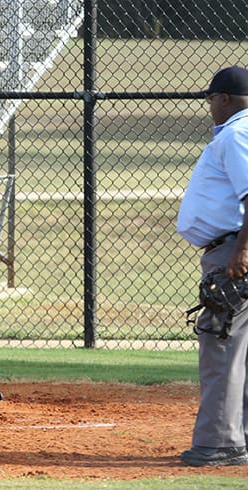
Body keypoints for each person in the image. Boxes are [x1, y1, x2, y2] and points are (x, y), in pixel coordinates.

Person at [177, 65, 248, 467]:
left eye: (210, 100)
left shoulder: (238, 133)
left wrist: (240, 252)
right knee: (241, 350)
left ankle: (220, 443)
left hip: (234, 252)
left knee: (221, 345)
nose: (209, 108)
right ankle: (239, 435)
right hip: (235, 247)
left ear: (222, 99)